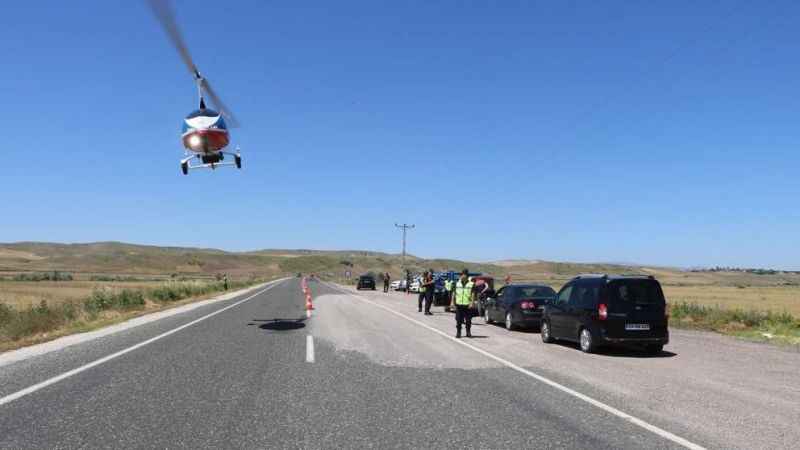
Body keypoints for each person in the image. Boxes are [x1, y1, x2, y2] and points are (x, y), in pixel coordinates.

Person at [451, 269, 476, 338]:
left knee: (468, 320)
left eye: (464, 275)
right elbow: (453, 293)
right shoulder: (456, 283)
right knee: (458, 320)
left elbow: (473, 294)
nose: (463, 276)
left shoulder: (471, 284)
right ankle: (458, 332)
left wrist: (472, 303)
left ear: (467, 276)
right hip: (459, 305)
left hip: (467, 305)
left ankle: (468, 332)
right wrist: (452, 302)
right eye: (462, 275)